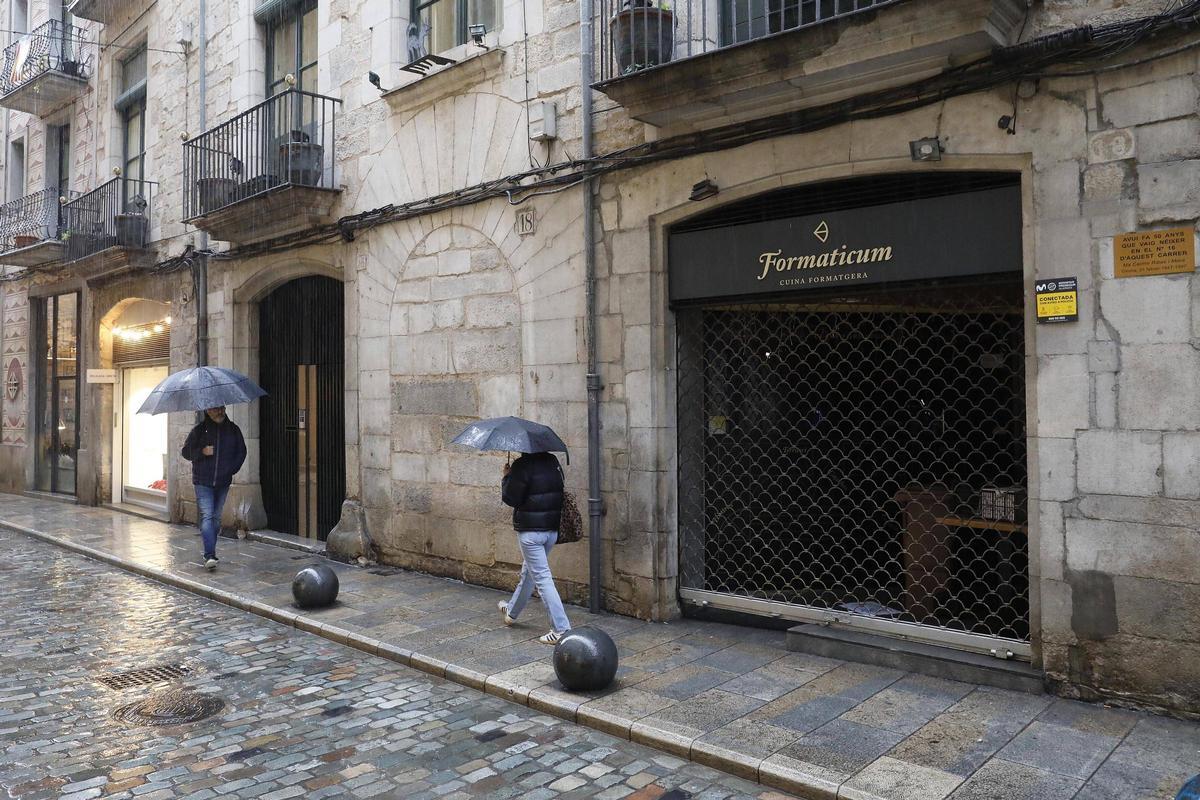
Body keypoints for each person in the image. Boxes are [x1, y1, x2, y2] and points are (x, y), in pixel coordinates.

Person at [497, 451, 572, 645]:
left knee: (542, 578)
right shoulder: (552, 461)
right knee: (529, 573)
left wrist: (506, 477)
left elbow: (511, 498)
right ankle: (512, 611)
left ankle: (561, 629)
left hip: (531, 533)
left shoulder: (522, 465)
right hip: (551, 531)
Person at [181, 405, 247, 571]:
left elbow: (242, 451)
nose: (220, 412)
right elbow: (186, 452)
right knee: (208, 515)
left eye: (221, 408)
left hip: (223, 481)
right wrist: (202, 451)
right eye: (215, 409)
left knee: (216, 518)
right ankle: (210, 554)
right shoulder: (199, 430)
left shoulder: (233, 430)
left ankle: (209, 548)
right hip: (203, 481)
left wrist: (232, 469)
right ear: (208, 411)